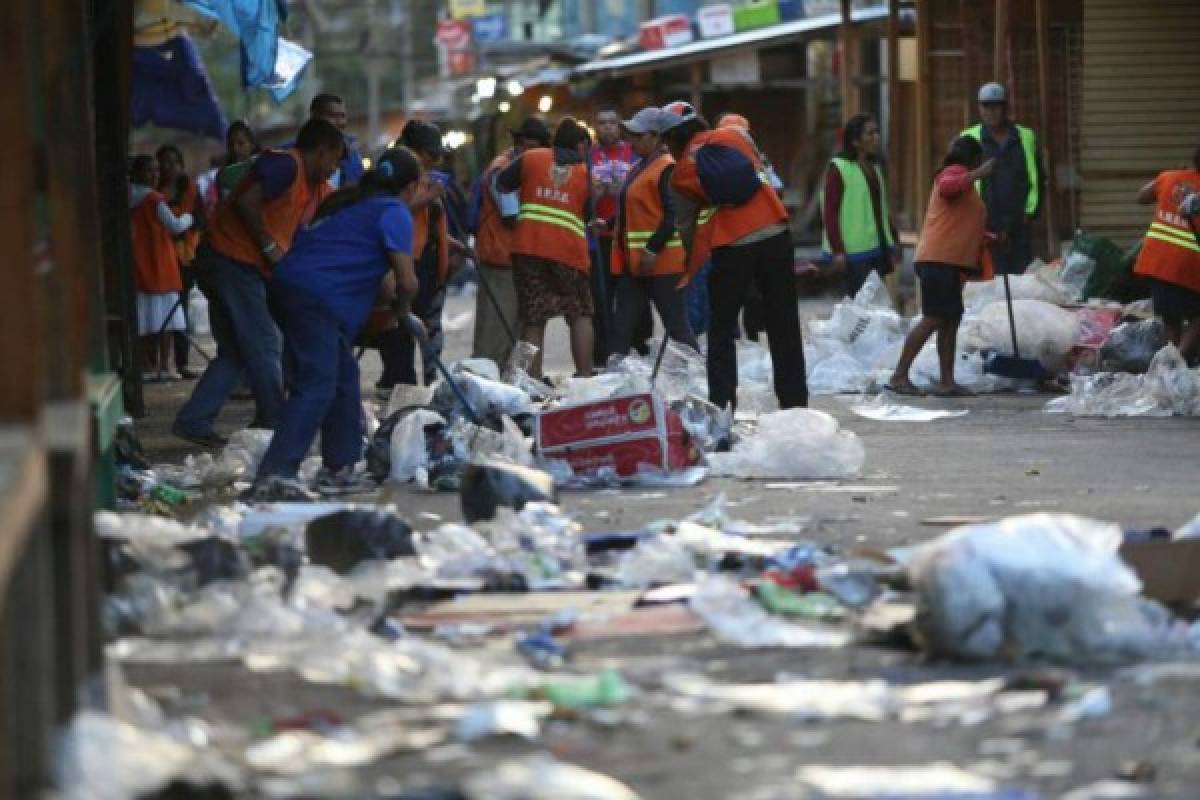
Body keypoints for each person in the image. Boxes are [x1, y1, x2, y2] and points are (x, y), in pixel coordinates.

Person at [246, 148, 422, 500]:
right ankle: (274, 475)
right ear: (412, 186)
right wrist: (404, 311)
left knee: (344, 377)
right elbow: (406, 281)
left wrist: (399, 310)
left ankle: (339, 468)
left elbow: (381, 277)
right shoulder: (394, 211)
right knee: (317, 384)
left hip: (290, 286)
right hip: (316, 298)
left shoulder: (352, 205)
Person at [173, 118, 344, 449]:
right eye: (334, 160)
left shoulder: (312, 185)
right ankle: (275, 420)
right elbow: (246, 200)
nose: (334, 168)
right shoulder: (286, 165)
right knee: (267, 344)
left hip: (226, 261)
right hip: (233, 261)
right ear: (321, 151)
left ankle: (194, 420)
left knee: (236, 352)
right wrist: (268, 247)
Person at [663, 104, 808, 413]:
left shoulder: (680, 174)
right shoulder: (736, 136)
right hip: (775, 232)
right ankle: (794, 404)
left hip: (732, 245)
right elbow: (762, 174)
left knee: (723, 327)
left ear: (673, 140)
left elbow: (686, 227)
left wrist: (689, 266)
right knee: (784, 322)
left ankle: (723, 404)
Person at [889, 136, 996, 397]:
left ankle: (947, 381)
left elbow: (959, 221)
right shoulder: (953, 173)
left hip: (949, 262)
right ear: (972, 160)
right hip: (939, 261)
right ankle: (899, 375)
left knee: (950, 321)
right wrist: (978, 174)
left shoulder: (966, 184)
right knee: (934, 318)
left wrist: (989, 238)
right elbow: (948, 187)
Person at [496, 117, 595, 378]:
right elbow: (589, 214)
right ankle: (585, 374)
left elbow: (502, 183)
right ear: (581, 145)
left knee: (534, 316)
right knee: (580, 313)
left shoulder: (532, 158)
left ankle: (533, 380)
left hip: (529, 248)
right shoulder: (586, 173)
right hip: (569, 254)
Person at [375, 119, 463, 391]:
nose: (436, 161)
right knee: (401, 323)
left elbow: (424, 221)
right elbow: (395, 209)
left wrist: (450, 242)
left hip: (426, 256)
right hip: (404, 257)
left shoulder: (423, 173)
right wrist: (431, 195)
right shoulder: (401, 169)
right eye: (431, 154)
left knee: (427, 324)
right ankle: (399, 380)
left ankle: (428, 379)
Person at [609, 107, 698, 356]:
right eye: (631, 135)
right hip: (634, 264)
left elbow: (673, 216)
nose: (632, 141)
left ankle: (698, 380)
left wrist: (652, 248)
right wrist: (608, 224)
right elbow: (634, 210)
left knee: (677, 328)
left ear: (656, 136)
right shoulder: (639, 167)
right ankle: (612, 383)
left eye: (638, 136)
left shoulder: (666, 168)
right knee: (621, 327)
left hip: (662, 263)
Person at [471, 117, 551, 368]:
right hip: (501, 259)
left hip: (518, 258)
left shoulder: (524, 166)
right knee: (494, 335)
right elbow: (511, 215)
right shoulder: (502, 170)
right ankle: (485, 384)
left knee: (518, 330)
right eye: (528, 147)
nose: (532, 153)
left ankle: (513, 387)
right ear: (519, 144)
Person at [961, 82, 1047, 276]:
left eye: (996, 106)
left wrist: (1030, 213)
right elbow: (958, 180)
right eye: (986, 106)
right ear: (979, 108)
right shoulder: (968, 138)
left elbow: (1039, 178)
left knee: (1019, 280)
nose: (991, 112)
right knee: (988, 281)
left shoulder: (1025, 136)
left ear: (1005, 107)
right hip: (983, 225)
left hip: (1019, 224)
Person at [821, 113, 901, 298]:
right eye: (870, 134)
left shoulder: (874, 168)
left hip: (877, 246)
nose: (876, 138)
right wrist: (838, 250)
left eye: (877, 132)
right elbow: (830, 213)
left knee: (875, 304)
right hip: (854, 252)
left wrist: (894, 240)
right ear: (855, 141)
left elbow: (881, 208)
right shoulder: (839, 169)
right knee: (862, 306)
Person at [129, 155, 194, 383]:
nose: (155, 175)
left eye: (157, 170)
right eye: (150, 171)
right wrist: (188, 216)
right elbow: (175, 226)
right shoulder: (154, 199)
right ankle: (165, 367)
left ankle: (148, 366)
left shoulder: (128, 197)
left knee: (145, 320)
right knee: (166, 319)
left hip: (139, 265)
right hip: (161, 265)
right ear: (137, 173)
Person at [1132, 145, 1200, 361]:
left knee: (1171, 318)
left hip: (1157, 261)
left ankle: (1171, 367)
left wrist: (1172, 178)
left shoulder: (1170, 177)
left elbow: (1141, 196)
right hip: (1191, 264)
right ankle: (1177, 364)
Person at [589, 108, 646, 362]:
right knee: (600, 299)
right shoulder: (588, 156)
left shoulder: (633, 153)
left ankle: (639, 350)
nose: (608, 127)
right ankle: (603, 356)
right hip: (598, 237)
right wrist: (597, 194)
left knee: (633, 297)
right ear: (595, 127)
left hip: (627, 235)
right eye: (602, 123)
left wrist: (623, 191)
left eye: (612, 122)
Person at [157, 144, 205, 379]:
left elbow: (200, 220)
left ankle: (182, 362)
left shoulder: (191, 190)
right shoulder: (153, 193)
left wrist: (178, 226)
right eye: (164, 162)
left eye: (174, 162)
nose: (169, 167)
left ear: (181, 165)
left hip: (186, 256)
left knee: (181, 308)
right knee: (161, 310)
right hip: (159, 257)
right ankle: (161, 364)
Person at [308, 92, 364, 189]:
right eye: (332, 116)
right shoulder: (292, 154)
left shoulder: (353, 156)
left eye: (343, 116)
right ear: (314, 117)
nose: (340, 122)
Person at [213, 120, 261, 205]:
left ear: (252, 144)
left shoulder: (263, 166)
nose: (235, 149)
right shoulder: (223, 175)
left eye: (240, 143)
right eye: (231, 144)